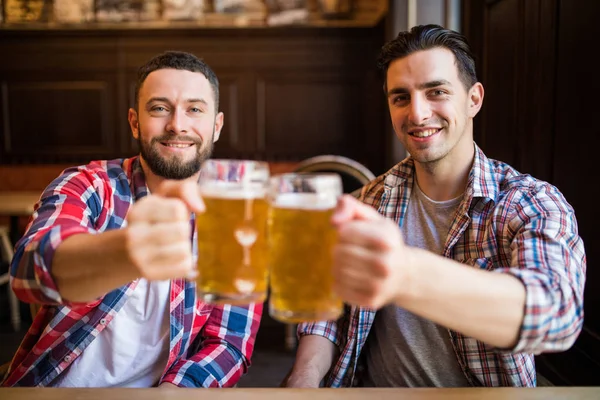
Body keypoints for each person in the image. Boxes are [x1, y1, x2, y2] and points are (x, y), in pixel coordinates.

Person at [285, 24, 586, 388]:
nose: (417, 113)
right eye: (400, 97)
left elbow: (556, 315)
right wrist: (304, 376)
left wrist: (404, 272)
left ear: (473, 99)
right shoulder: (368, 200)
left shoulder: (528, 202)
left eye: (436, 92)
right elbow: (327, 311)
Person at [1, 51, 262, 388]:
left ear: (217, 126)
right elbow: (27, 273)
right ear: (135, 122)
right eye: (159, 108)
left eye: (194, 109)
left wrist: (172, 394)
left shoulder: (236, 211)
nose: (177, 124)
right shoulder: (90, 185)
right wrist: (128, 251)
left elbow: (228, 342)